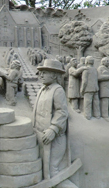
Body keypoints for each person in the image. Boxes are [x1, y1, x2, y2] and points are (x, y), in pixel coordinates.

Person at [33, 59, 77, 187]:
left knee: (52, 171)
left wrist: (53, 129)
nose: (40, 75)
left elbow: (62, 112)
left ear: (54, 75)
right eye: (40, 73)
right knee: (45, 170)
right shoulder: (43, 89)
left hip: (54, 138)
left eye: (44, 72)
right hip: (41, 135)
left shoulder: (57, 90)